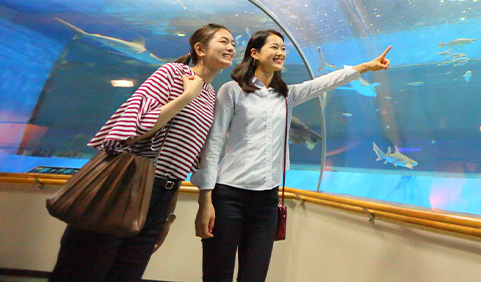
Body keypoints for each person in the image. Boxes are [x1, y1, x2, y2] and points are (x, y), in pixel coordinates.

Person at [192, 30, 391, 282]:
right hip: (229, 196)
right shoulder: (232, 90)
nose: (281, 53)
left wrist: (365, 67)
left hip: (266, 201)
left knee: (254, 276)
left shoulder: (286, 94)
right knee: (216, 275)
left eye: (283, 48)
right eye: (274, 47)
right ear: (254, 53)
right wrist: (205, 199)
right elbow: (214, 142)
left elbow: (325, 83)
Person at [49, 23, 236, 282]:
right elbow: (136, 129)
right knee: (84, 269)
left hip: (161, 195)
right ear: (200, 49)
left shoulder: (209, 94)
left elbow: (181, 162)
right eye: (224, 41)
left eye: (233, 44)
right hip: (125, 185)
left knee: (127, 274)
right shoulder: (172, 73)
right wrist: (185, 97)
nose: (231, 47)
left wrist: (167, 217)